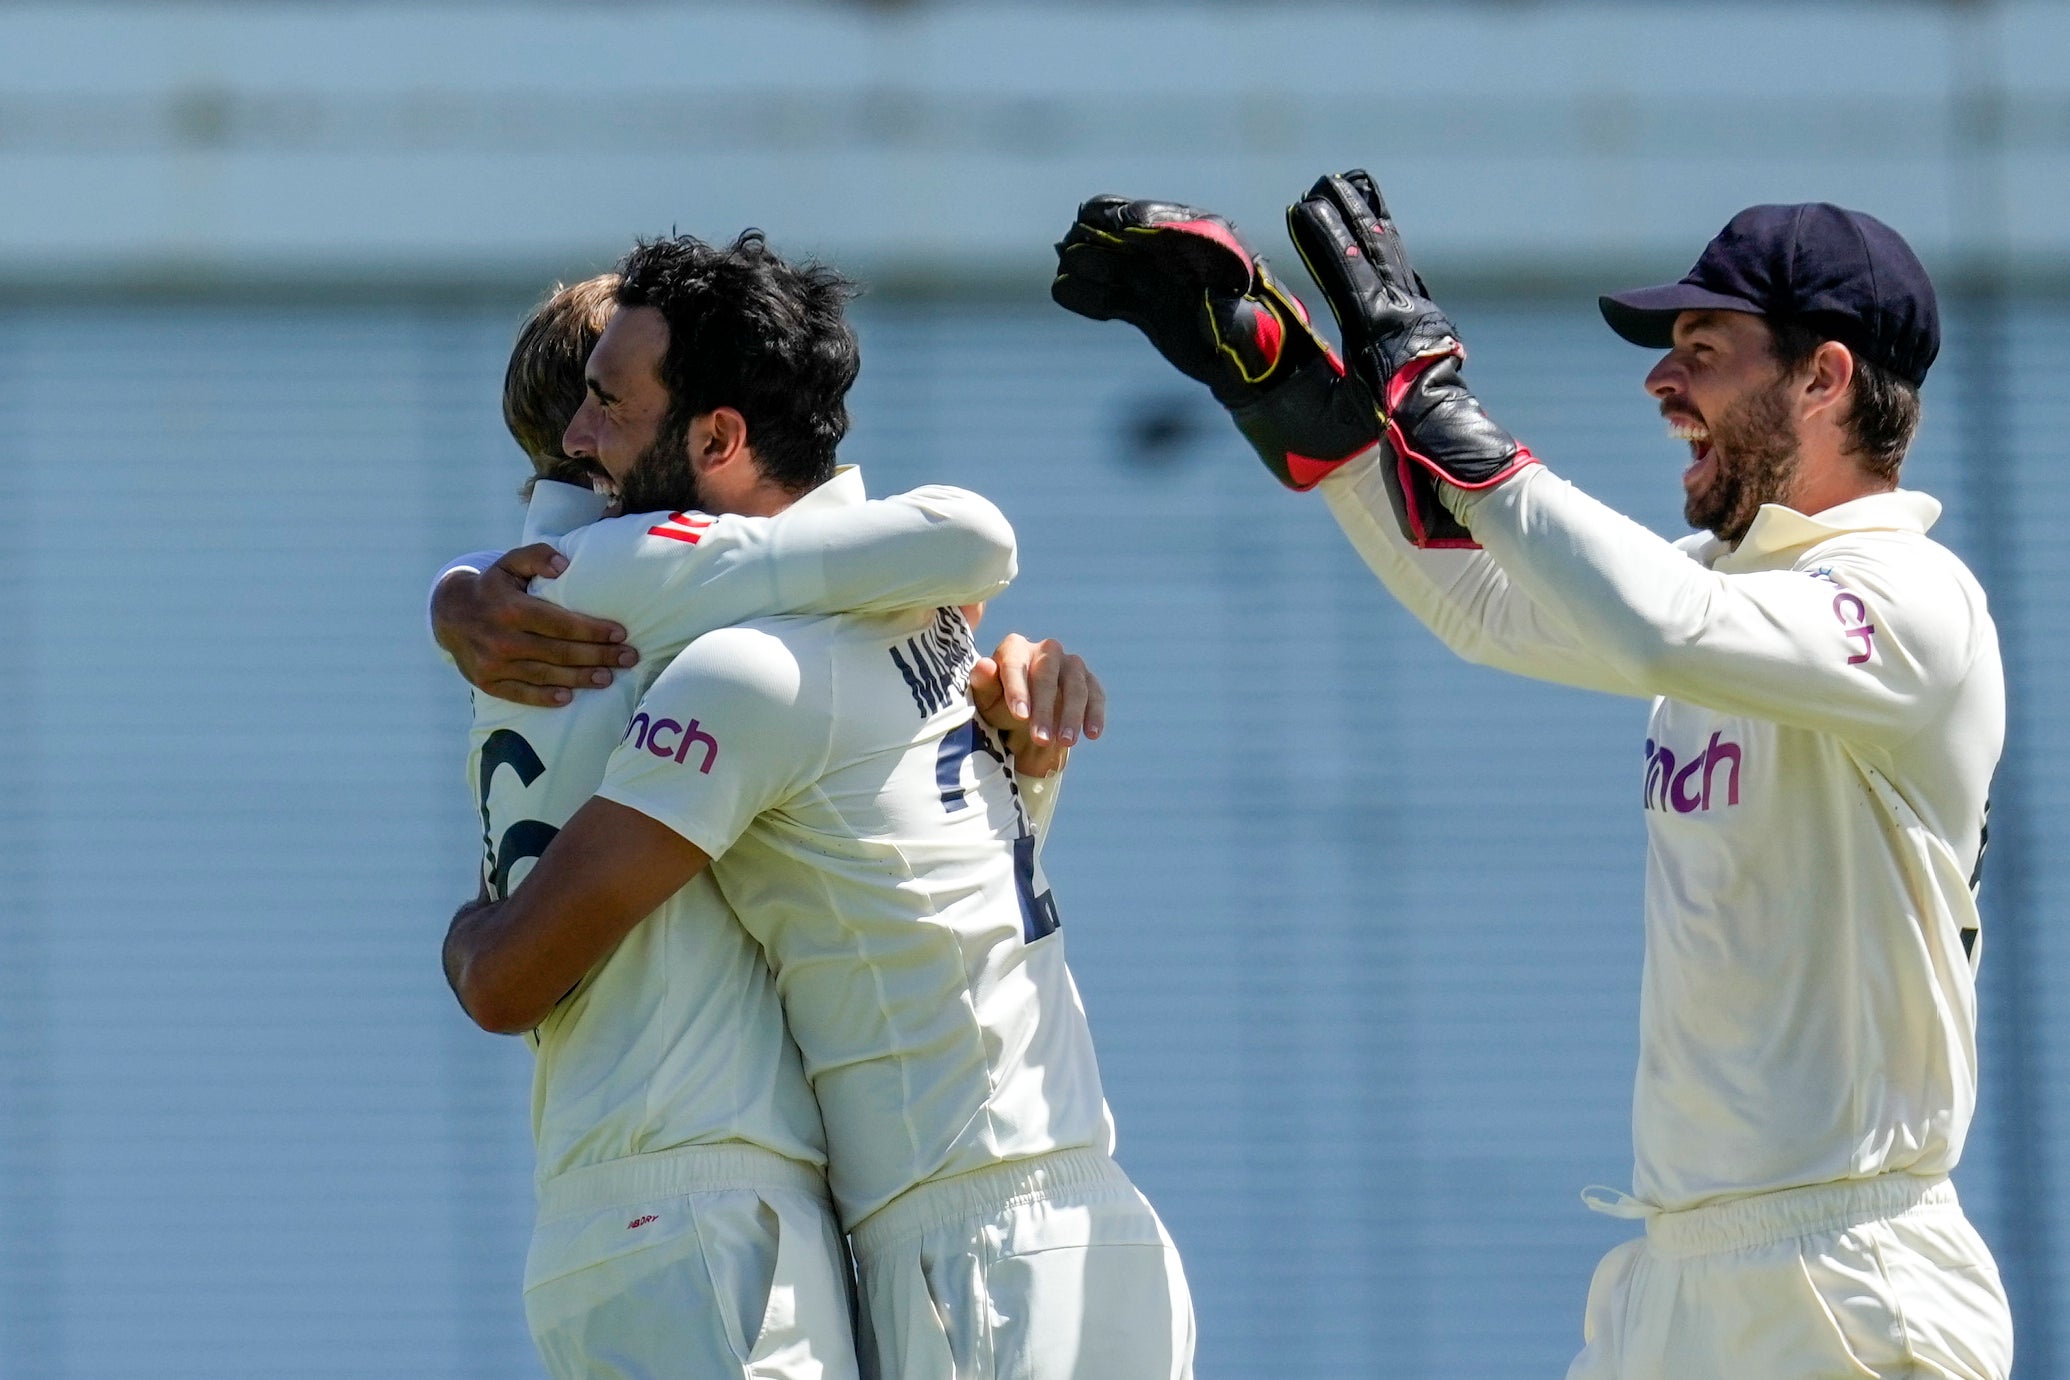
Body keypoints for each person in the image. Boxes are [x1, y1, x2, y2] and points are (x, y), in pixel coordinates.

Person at [1054, 178, 2012, 1378]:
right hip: (1680, 1275)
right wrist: (1307, 408)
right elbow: (1491, 607)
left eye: (1703, 353)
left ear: (1823, 378)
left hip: (1851, 1282)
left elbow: (1665, 626)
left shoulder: (1913, 598)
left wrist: (1438, 398)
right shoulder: (1725, 596)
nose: (1664, 384)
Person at [447, 233, 1195, 1380]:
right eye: (585, 407)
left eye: (607, 405)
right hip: (927, 1219)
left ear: (715, 436)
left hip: (894, 1238)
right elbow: (969, 537)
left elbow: (508, 977)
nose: (583, 438)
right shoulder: (889, 612)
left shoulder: (713, 641)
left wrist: (464, 926)